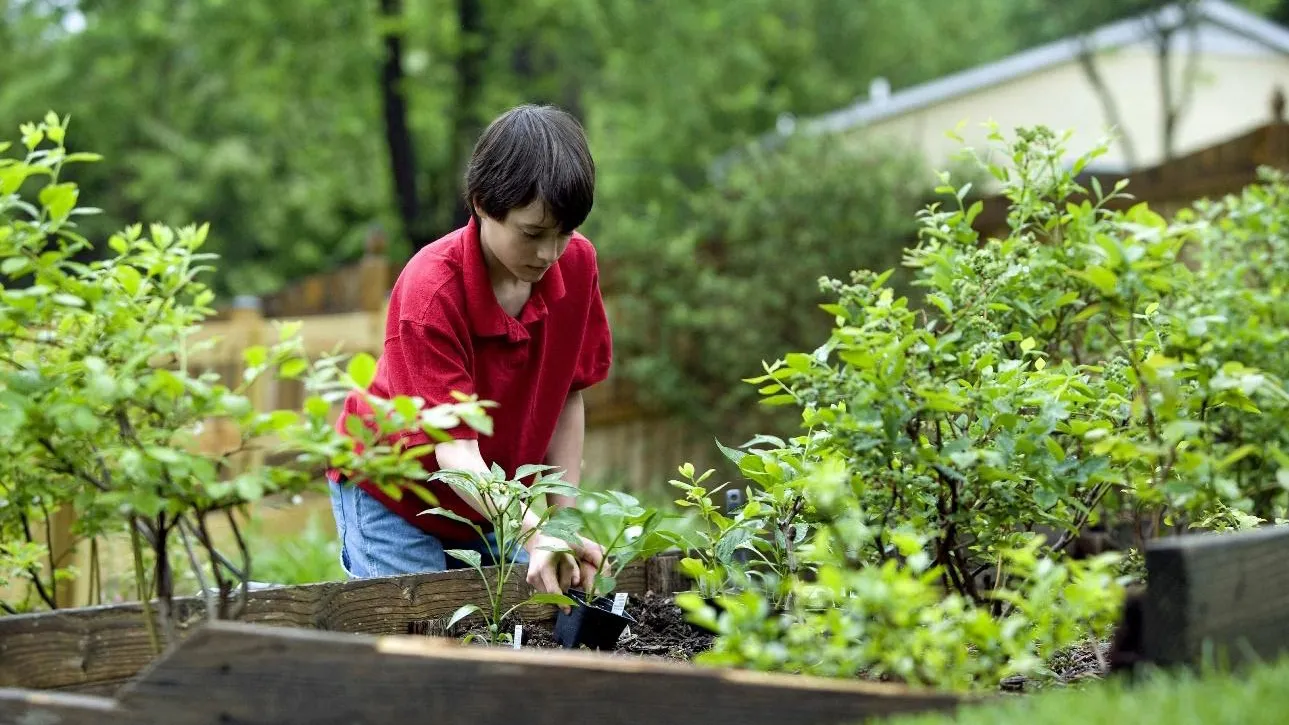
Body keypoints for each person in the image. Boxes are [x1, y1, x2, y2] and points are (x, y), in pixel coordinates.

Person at [326, 104, 611, 602]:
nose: (549, 253)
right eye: (532, 233)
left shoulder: (578, 265)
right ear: (481, 204)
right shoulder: (431, 290)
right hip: (396, 494)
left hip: (488, 496)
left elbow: (568, 396)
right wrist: (533, 534)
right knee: (419, 638)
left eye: (564, 233)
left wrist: (560, 526)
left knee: (516, 622)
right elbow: (454, 451)